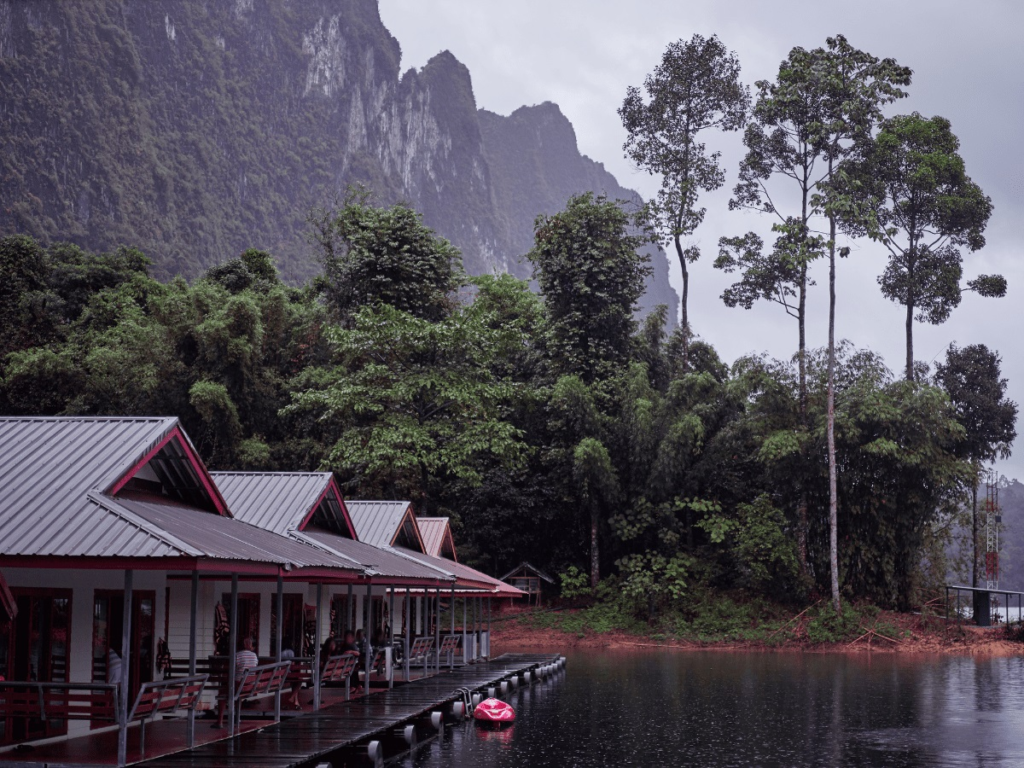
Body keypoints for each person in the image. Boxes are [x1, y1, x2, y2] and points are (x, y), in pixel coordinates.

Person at [217, 637, 258, 728]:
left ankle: (219, 722)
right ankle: (237, 718)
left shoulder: (237, 655)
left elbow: (230, 670)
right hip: (250, 685)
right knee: (238, 694)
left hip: (239, 684)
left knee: (222, 694)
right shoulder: (254, 656)